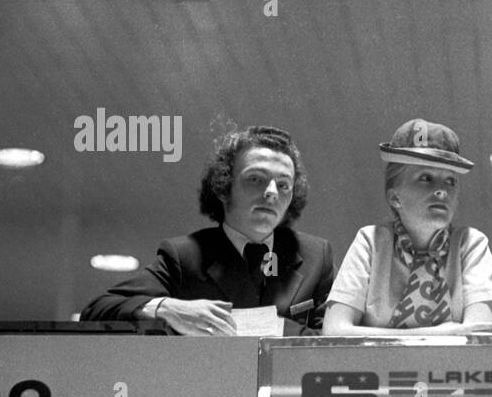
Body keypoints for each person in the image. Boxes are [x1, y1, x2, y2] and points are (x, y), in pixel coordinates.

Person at [80, 125, 334, 335]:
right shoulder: (185, 255)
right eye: (255, 179)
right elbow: (98, 310)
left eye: (283, 185)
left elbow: (334, 342)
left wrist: (275, 327)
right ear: (224, 187)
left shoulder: (316, 255)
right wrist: (165, 308)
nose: (271, 192)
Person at [322, 119, 492, 335]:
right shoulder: (371, 241)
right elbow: (334, 330)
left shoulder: (471, 243)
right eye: (426, 178)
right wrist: (440, 334)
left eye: (450, 181)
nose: (442, 191)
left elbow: (481, 333)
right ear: (395, 197)